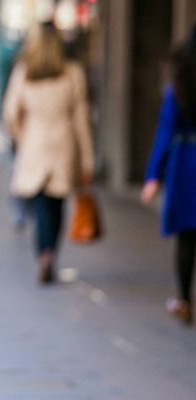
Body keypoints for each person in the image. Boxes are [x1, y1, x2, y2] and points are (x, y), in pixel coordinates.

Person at [2, 23, 94, 284]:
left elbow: (10, 113)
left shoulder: (23, 73)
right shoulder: (73, 73)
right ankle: (50, 252)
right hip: (65, 146)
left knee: (40, 203)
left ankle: (43, 253)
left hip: (34, 144)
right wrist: (87, 159)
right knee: (57, 204)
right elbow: (82, 120)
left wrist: (21, 136)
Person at [141, 26, 196, 326]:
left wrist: (154, 175)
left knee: (187, 238)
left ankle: (184, 299)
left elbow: (166, 130)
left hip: (186, 163)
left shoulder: (180, 85)